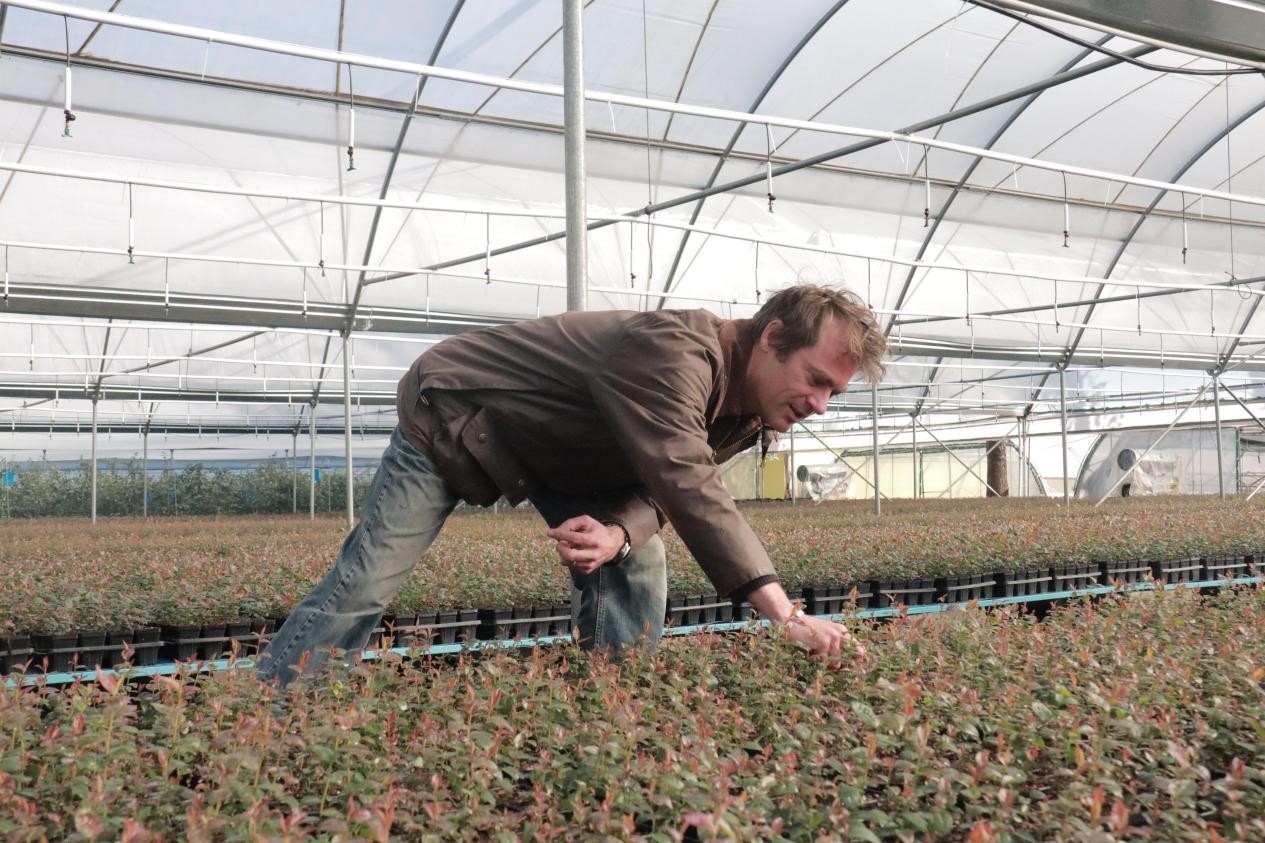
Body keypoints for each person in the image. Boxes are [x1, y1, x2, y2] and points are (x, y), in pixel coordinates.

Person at [256, 284, 886, 686]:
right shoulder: (674, 352)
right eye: (816, 380)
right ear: (772, 338)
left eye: (833, 392)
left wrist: (619, 532)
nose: (820, 405)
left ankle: (612, 705)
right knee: (370, 577)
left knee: (637, 562)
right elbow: (685, 477)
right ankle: (275, 711)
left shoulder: (751, 412)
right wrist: (783, 613)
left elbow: (664, 485)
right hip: (458, 416)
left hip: (569, 452)